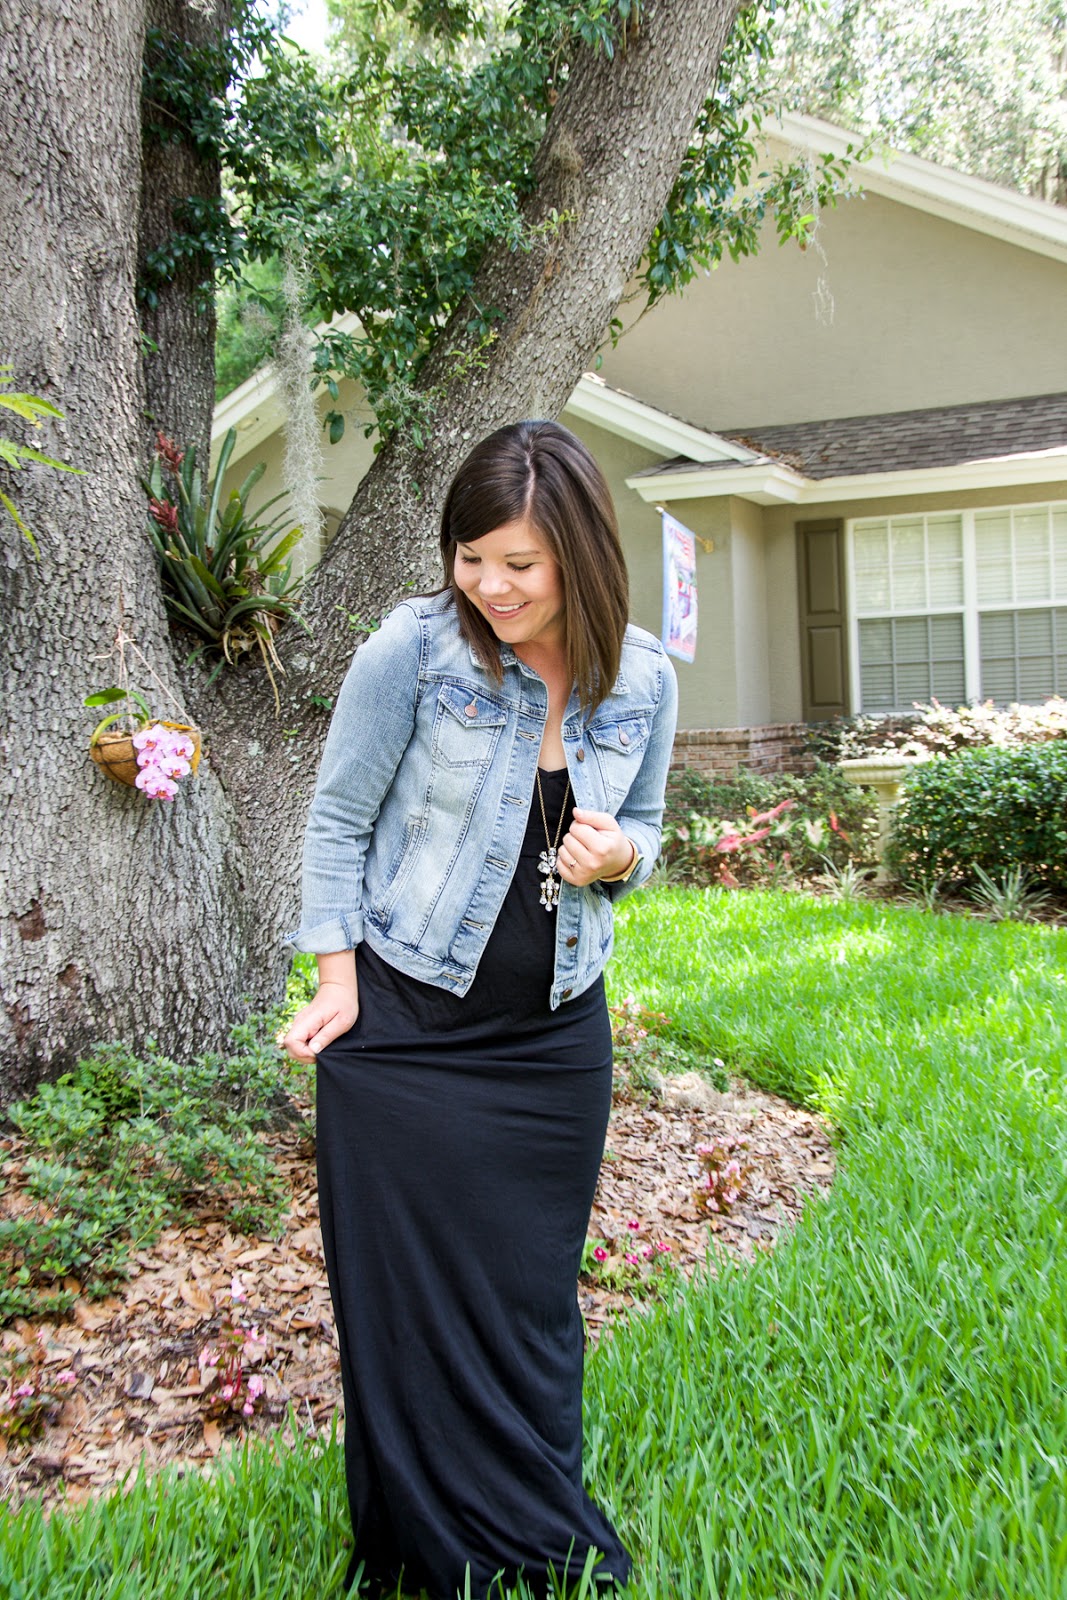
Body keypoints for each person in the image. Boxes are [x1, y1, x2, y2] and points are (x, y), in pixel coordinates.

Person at [282, 419, 678, 1600]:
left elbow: (650, 824)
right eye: (470, 557)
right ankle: (420, 1547)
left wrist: (621, 859)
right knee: (404, 1305)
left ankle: (531, 1529)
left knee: (527, 1298)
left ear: (578, 554)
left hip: (554, 1038)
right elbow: (336, 822)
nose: (489, 586)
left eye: (518, 562)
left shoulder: (642, 676)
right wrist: (338, 982)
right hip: (405, 1025)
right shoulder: (412, 654)